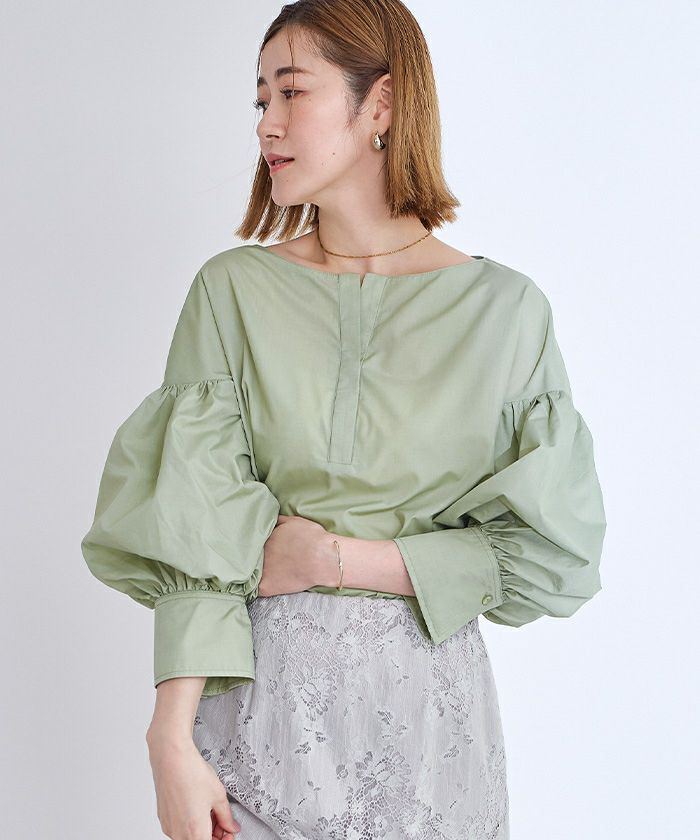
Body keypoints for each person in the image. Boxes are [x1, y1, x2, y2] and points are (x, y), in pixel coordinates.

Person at [80, 2, 607, 838]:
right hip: (257, 731)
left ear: (382, 103)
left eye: (292, 92)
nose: (267, 124)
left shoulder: (504, 312)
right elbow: (196, 533)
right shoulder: (233, 292)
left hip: (432, 739)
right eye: (261, 100)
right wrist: (169, 737)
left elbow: (544, 555)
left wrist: (334, 558)